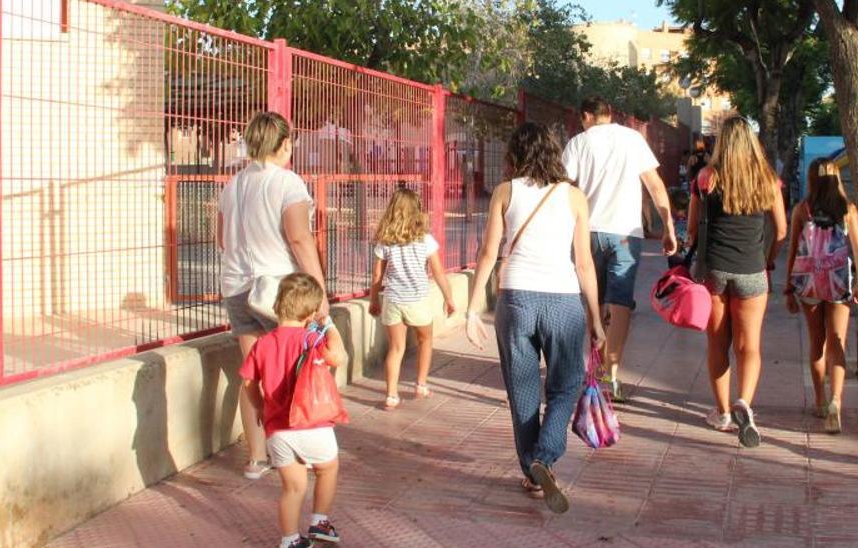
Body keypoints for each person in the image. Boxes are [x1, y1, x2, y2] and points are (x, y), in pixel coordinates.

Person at [465, 122, 605, 514]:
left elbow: (488, 253)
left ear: (516, 154)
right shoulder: (574, 197)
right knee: (565, 386)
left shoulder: (505, 192)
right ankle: (545, 455)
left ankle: (531, 470)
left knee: (523, 391)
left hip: (516, 298)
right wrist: (595, 317)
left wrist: (473, 308)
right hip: (563, 300)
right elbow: (584, 263)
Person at [218, 111, 328, 480]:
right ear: (284, 144)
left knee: (252, 374)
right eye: (291, 142)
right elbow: (299, 238)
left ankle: (256, 458)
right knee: (296, 369)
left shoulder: (232, 185)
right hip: (278, 289)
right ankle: (301, 449)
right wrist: (320, 290)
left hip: (237, 286)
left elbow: (222, 239)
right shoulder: (288, 182)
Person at [561, 97, 678, 402]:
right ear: (609, 114)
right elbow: (654, 183)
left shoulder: (577, 143)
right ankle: (612, 373)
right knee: (622, 301)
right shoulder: (632, 139)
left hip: (586, 231)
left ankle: (593, 366)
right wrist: (667, 226)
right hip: (626, 232)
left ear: (586, 115)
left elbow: (563, 186)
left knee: (593, 300)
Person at [685, 116, 787, 448]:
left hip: (713, 270)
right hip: (753, 270)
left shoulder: (706, 179)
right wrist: (769, 256)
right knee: (750, 346)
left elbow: (691, 229)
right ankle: (744, 401)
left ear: (722, 144)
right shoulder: (768, 180)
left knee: (718, 344)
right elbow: (782, 230)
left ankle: (722, 413)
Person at [240, 273, 348, 548]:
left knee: (292, 488)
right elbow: (339, 358)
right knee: (327, 469)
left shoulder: (263, 344)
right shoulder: (311, 339)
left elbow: (248, 382)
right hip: (312, 424)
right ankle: (319, 521)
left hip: (278, 430)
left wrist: (261, 407)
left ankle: (289, 540)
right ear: (311, 312)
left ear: (278, 305)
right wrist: (330, 324)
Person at [783, 159, 858, 434]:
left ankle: (819, 400)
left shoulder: (802, 210)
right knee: (837, 342)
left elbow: (793, 249)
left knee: (816, 342)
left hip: (809, 285)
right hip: (838, 283)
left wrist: (788, 287)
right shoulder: (848, 210)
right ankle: (836, 401)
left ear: (811, 179)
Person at [369, 188, 456, 410]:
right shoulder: (425, 240)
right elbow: (438, 272)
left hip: (393, 299)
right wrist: (449, 298)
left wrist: (373, 300)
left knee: (395, 349)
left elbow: (377, 275)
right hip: (417, 299)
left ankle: (391, 396)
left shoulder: (386, 241)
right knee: (425, 340)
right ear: (417, 211)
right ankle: (420, 384)